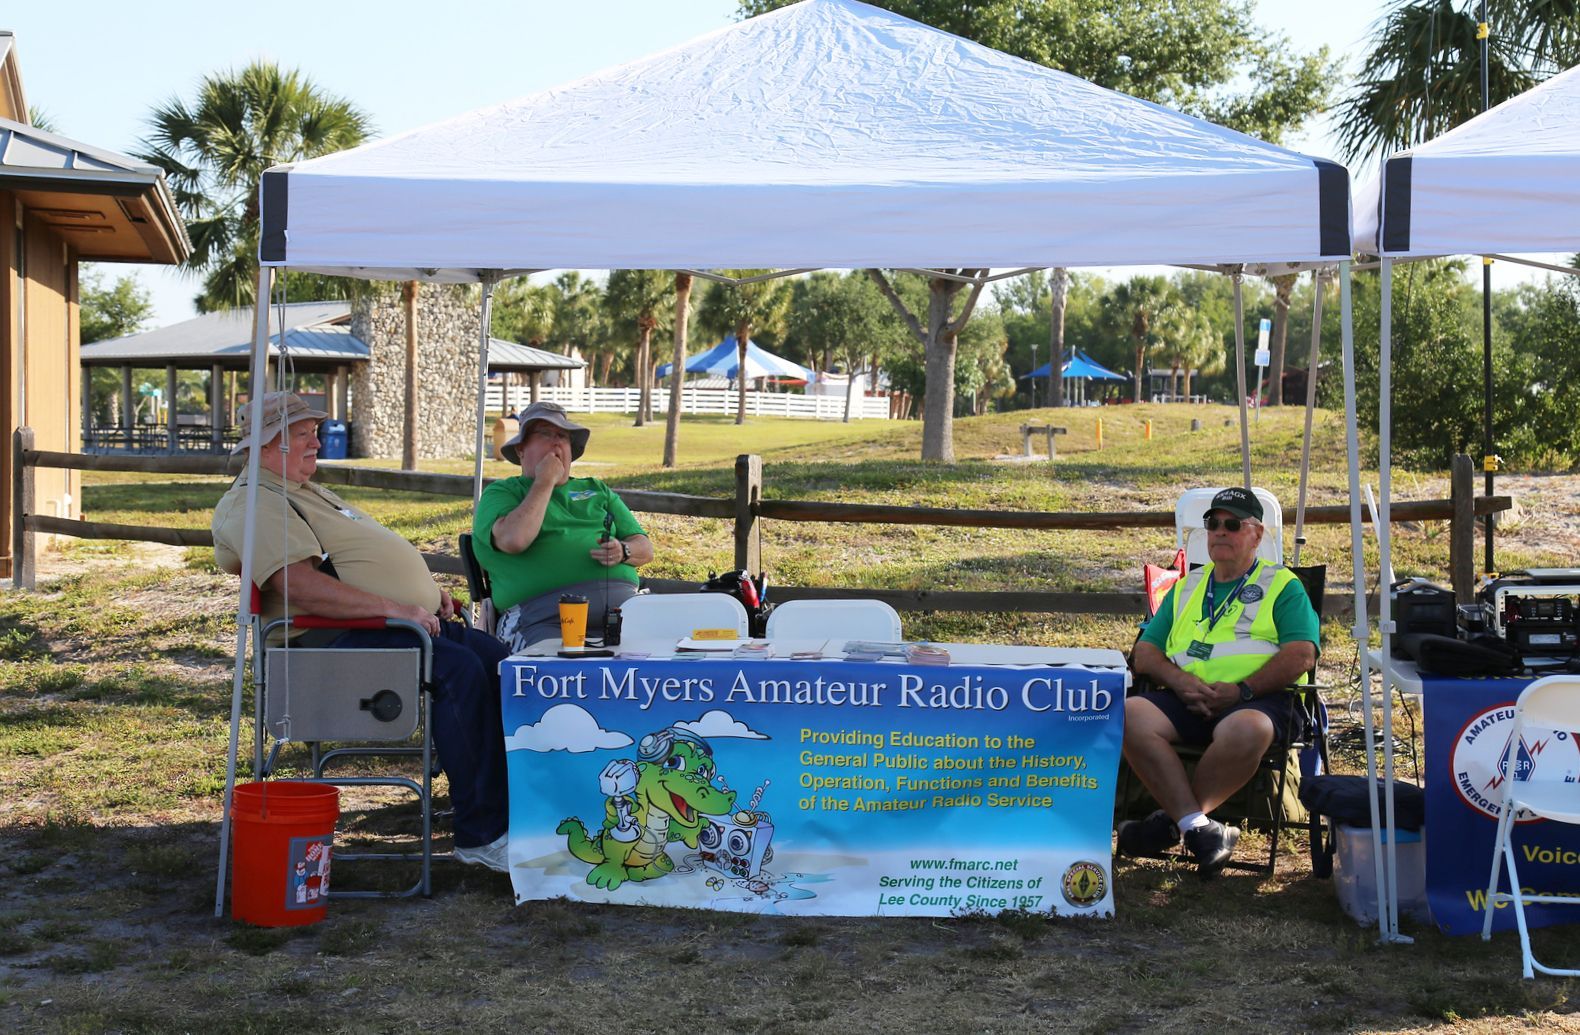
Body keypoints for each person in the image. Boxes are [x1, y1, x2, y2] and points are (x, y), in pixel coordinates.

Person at [211, 392, 511, 873]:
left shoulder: (297, 489)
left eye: (313, 432)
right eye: (302, 434)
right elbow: (297, 585)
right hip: (330, 643)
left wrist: (430, 601)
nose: (316, 442)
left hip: (388, 624)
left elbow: (352, 563)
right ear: (266, 444)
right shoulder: (254, 501)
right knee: (458, 671)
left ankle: (512, 811)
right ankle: (483, 834)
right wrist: (400, 608)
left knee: (501, 664)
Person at [1118, 487, 1319, 875]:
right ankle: (1199, 827)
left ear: (1257, 535)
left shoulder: (1283, 585)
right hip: (1186, 695)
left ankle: (1171, 822)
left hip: (1260, 698)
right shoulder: (1187, 586)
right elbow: (1146, 653)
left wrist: (1242, 691)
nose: (1220, 532)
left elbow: (1302, 654)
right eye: (1213, 524)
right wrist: (1179, 682)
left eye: (1233, 524)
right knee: (1128, 715)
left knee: (1247, 729)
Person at [472, 401, 653, 653]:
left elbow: (644, 547)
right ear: (522, 449)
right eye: (545, 434)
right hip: (542, 618)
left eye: (563, 436)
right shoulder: (503, 493)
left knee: (664, 656)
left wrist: (624, 551)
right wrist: (545, 481)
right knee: (559, 675)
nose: (556, 442)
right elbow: (514, 539)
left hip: (624, 612)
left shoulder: (597, 489)